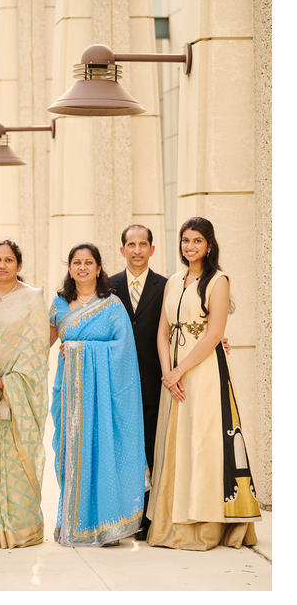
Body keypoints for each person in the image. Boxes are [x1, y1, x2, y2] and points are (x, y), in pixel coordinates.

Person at [146, 217, 261, 550]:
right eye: (185, 240)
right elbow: (163, 333)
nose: (190, 246)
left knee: (204, 441)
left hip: (205, 372)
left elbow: (214, 334)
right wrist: (168, 373)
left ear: (209, 245)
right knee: (177, 442)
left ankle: (207, 525)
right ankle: (173, 523)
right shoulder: (173, 281)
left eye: (197, 241)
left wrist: (179, 371)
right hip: (175, 377)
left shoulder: (218, 281)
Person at [48, 243, 146, 546]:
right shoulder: (59, 305)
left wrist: (79, 350)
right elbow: (42, 345)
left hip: (104, 399)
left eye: (88, 263)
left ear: (99, 268)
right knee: (70, 454)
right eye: (76, 262)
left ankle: (106, 525)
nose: (82, 268)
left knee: (103, 450)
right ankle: (71, 522)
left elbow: (124, 351)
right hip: (69, 395)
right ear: (69, 268)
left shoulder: (112, 305)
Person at [0, 239, 49, 549]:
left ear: (19, 265)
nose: (2, 265)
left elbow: (36, 346)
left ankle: (22, 528)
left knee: (15, 457)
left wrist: (11, 382)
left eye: (9, 260)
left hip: (16, 388)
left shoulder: (32, 298)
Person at [108, 225, 168, 541]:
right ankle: (121, 515)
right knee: (120, 449)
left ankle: (147, 516)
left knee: (150, 450)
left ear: (151, 249)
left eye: (142, 244)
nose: (136, 250)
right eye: (130, 244)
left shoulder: (166, 286)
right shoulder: (109, 285)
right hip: (117, 383)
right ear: (122, 250)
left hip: (153, 381)